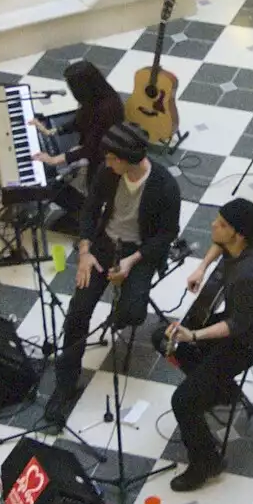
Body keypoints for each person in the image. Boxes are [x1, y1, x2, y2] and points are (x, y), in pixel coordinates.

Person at [42, 122, 181, 429]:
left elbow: (167, 234)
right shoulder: (108, 174)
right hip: (103, 246)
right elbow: (90, 210)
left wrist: (132, 261)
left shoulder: (164, 185)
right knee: (78, 312)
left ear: (127, 158)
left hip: (139, 251)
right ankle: (65, 385)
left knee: (132, 313)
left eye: (111, 158)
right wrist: (85, 252)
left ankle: (122, 313)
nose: (106, 162)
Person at [154, 198, 253, 491]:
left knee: (182, 400)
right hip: (233, 326)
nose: (213, 225)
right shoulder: (238, 244)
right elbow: (219, 246)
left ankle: (206, 461)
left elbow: (237, 326)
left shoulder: (248, 274)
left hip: (245, 343)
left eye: (221, 224)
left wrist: (194, 335)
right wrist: (202, 267)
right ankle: (221, 390)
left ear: (238, 234)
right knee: (163, 338)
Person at [33, 60, 124, 216]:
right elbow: (81, 120)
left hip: (105, 157)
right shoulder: (95, 98)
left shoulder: (108, 109)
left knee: (89, 192)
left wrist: (55, 159)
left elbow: (91, 149)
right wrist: (54, 130)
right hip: (94, 149)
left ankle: (91, 217)